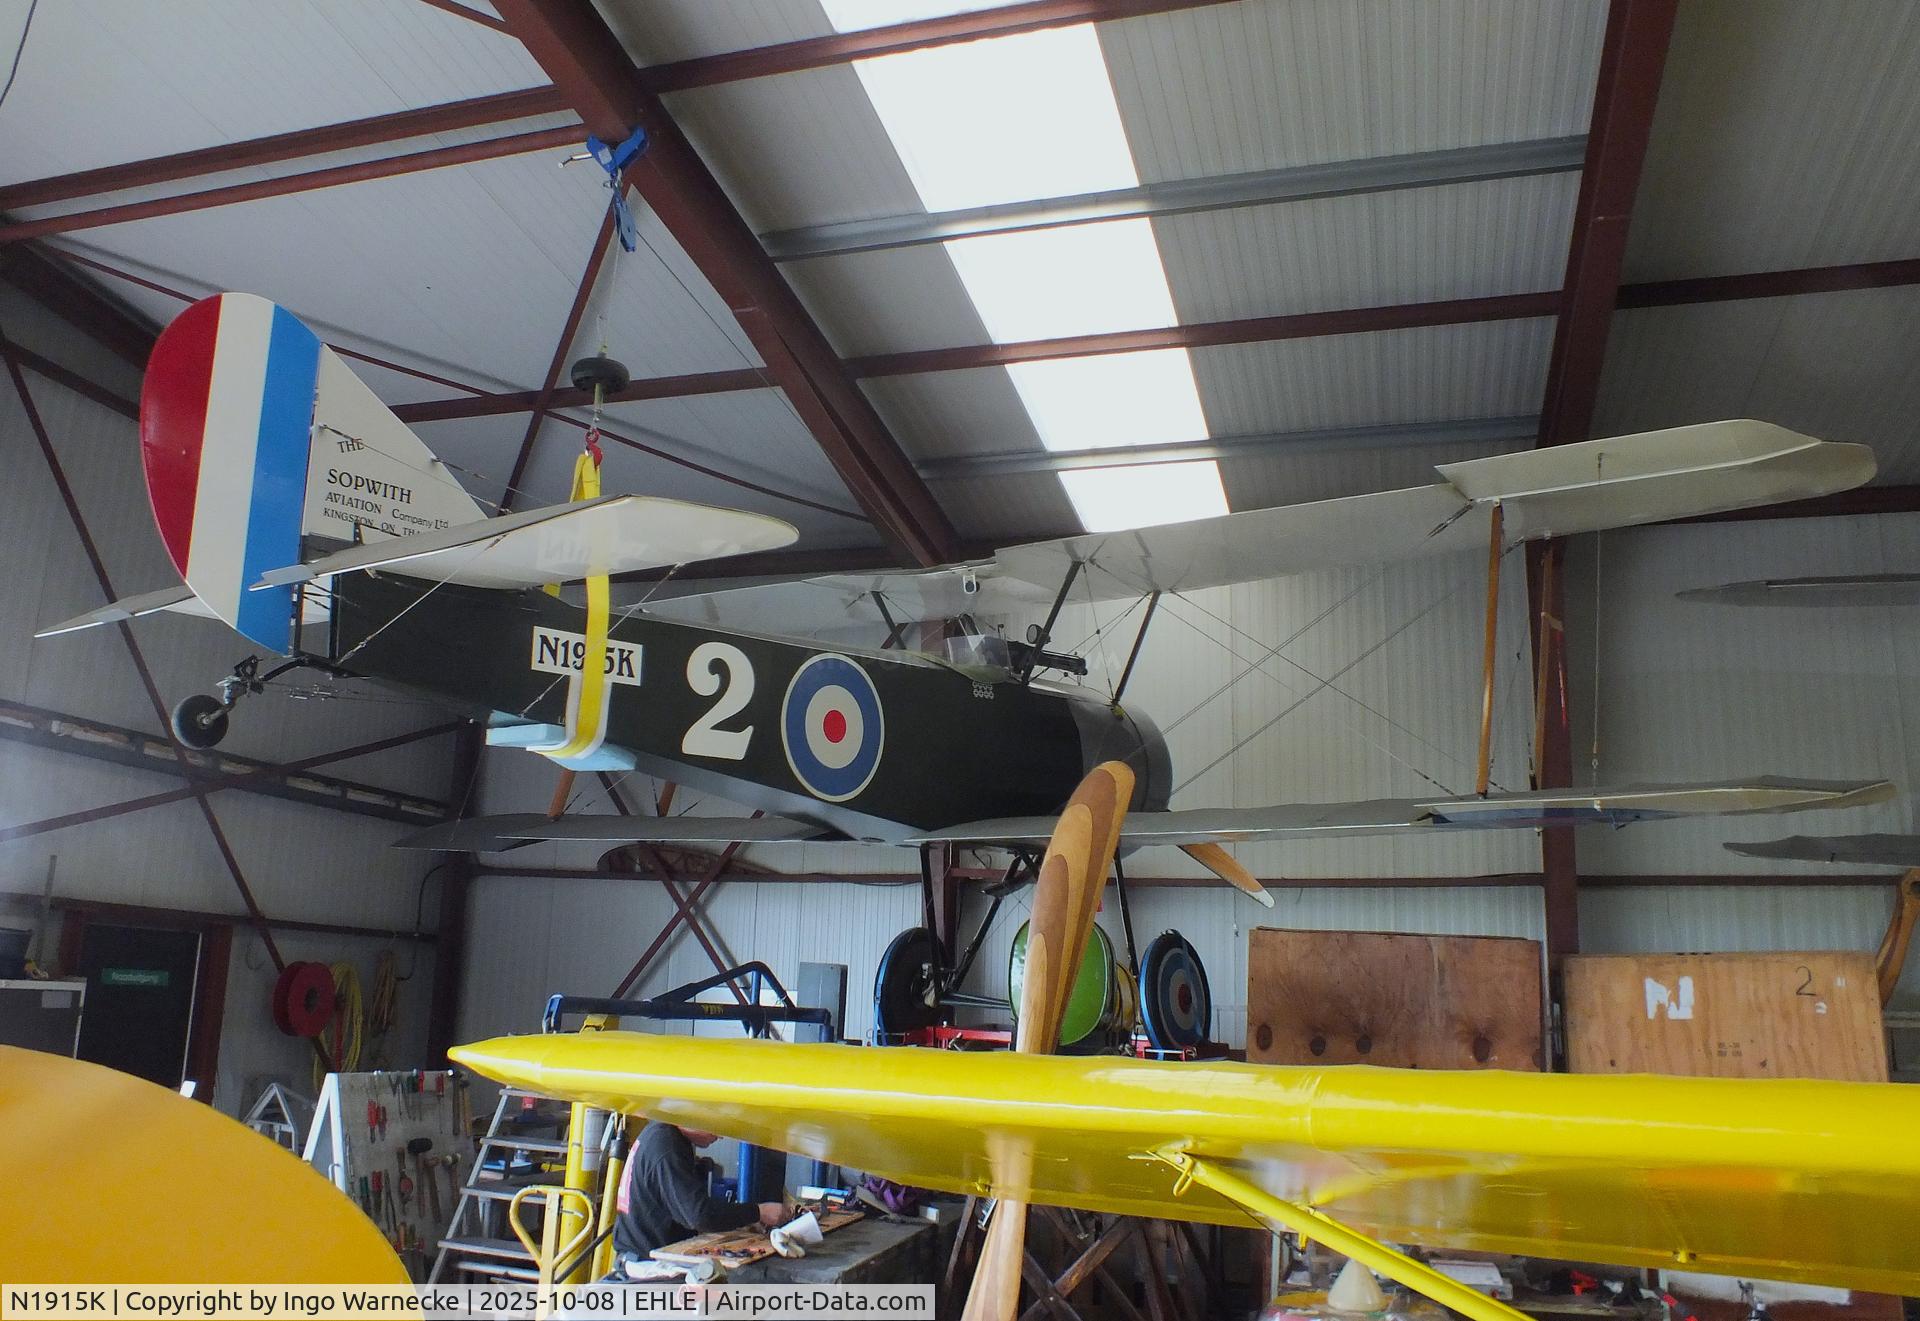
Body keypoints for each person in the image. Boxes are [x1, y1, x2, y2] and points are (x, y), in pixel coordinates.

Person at [611, 1121, 785, 1267]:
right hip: (647, 1266)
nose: (720, 1136)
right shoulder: (667, 1146)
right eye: (716, 1125)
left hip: (644, 1255)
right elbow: (699, 1215)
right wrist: (759, 1212)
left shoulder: (661, 1133)